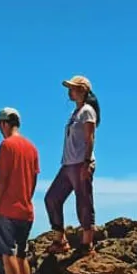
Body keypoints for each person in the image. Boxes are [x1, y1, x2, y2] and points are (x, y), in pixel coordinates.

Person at [0, 107, 40, 274]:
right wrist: (26, 197)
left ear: (4, 123)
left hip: (7, 209)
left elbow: (1, 178)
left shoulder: (6, 145)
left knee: (8, 254)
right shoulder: (32, 148)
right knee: (22, 255)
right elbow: (34, 179)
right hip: (26, 209)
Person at [45, 75, 100, 254]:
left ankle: (87, 243)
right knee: (52, 198)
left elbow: (90, 138)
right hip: (68, 164)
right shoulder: (75, 113)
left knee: (83, 201)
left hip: (80, 163)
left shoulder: (87, 111)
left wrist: (86, 162)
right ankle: (60, 239)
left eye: (73, 88)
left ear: (82, 90)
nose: (70, 91)